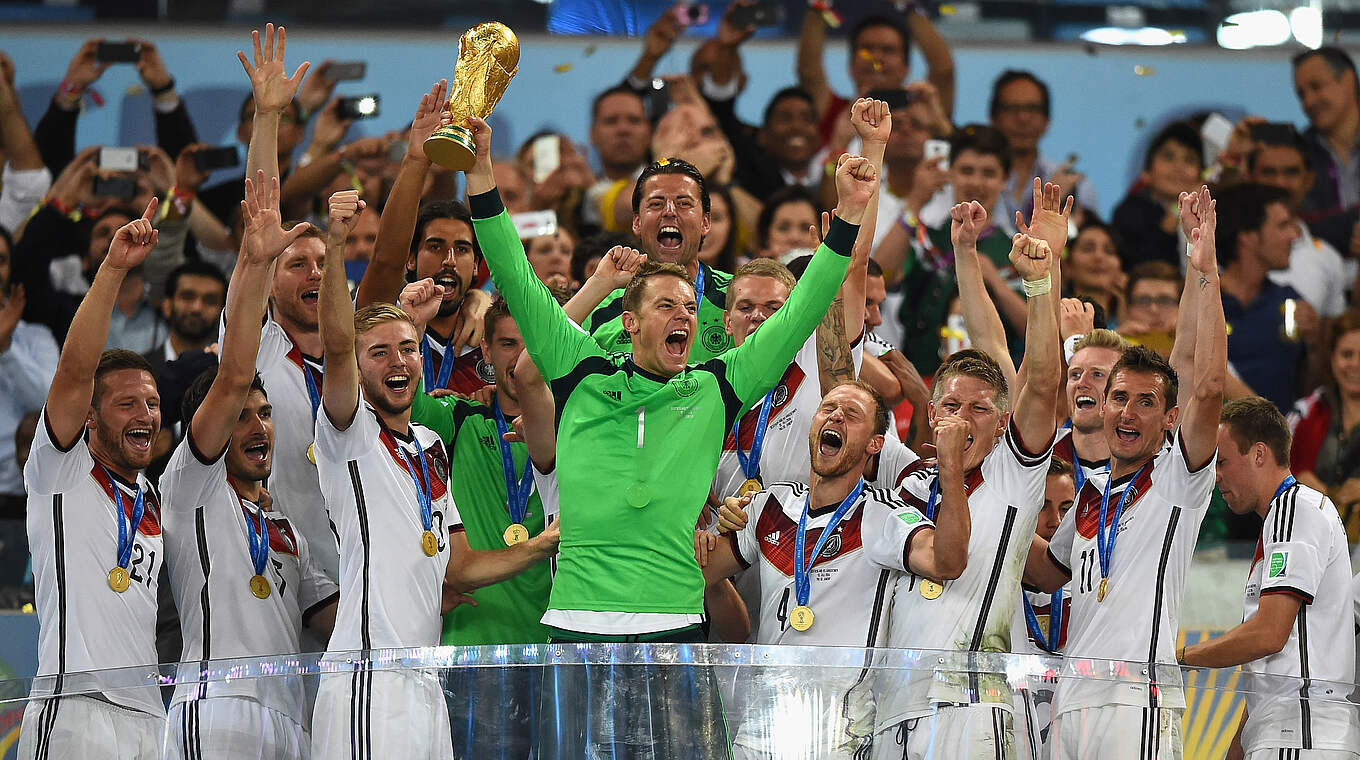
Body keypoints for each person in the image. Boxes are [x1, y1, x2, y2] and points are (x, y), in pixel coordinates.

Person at [463, 102, 873, 754]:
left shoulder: (714, 388)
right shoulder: (578, 369)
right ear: (628, 320)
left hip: (678, 629)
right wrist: (481, 173)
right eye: (665, 304)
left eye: (688, 304)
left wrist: (850, 212)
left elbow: (800, 311)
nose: (684, 312)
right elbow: (514, 270)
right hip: (577, 626)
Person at [309, 190, 557, 760]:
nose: (397, 361)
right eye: (379, 353)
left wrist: (544, 545)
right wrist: (339, 243)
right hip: (367, 678)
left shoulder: (429, 448)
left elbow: (462, 565)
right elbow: (339, 343)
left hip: (426, 676)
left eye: (407, 349)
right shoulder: (349, 433)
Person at [1025, 187, 1226, 760]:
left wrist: (1203, 267)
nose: (1126, 412)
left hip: (1138, 699)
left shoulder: (1178, 479)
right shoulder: (1091, 496)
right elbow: (1046, 570)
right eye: (1118, 398)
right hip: (1069, 699)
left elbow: (1202, 378)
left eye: (1144, 402)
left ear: (1168, 418)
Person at [161, 172, 339, 757]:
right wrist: (253, 260)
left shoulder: (286, 529)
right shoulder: (192, 488)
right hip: (214, 709)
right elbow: (236, 369)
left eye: (264, 414)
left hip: (292, 720)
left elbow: (334, 617)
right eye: (240, 416)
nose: (258, 425)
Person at [701, 380, 971, 759]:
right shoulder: (769, 505)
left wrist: (951, 469)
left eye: (852, 414)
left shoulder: (883, 515)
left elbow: (949, 561)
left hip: (838, 737)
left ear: (875, 444)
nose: (836, 416)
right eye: (828, 409)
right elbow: (697, 575)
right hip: (759, 731)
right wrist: (701, 526)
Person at [872, 223, 1062, 759]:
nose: (963, 419)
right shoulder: (904, 485)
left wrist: (1041, 286)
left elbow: (1043, 380)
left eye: (979, 409)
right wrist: (963, 251)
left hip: (974, 707)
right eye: (951, 407)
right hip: (895, 706)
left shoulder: (1014, 474)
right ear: (931, 415)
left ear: (1001, 423)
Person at [19, 199, 164, 759]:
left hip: (149, 715)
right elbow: (76, 370)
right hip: (75, 709)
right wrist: (113, 270)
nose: (146, 416)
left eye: (151, 404)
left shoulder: (149, 497)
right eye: (127, 403)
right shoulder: (62, 471)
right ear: (90, 417)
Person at [1181, 396, 1360, 758]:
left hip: (1301, 730)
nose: (1215, 476)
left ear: (1259, 454)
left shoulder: (1295, 509)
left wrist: (1179, 657)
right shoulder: (1285, 517)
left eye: (1223, 462)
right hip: (1289, 728)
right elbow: (1272, 662)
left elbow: (1268, 635)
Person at [355, 80, 491, 394]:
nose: (449, 260)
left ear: (476, 267)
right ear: (412, 258)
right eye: (435, 246)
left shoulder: (494, 338)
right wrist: (417, 161)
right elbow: (387, 260)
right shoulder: (383, 324)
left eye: (462, 248)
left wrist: (485, 303)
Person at [584, 156, 737, 360]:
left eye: (683, 203)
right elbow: (541, 363)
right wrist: (598, 284)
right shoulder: (600, 308)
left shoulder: (738, 299)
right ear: (637, 222)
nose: (669, 212)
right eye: (656, 204)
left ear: (705, 222)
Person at [1216, 183, 1315, 411]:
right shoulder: (1201, 303)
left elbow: (1306, 390)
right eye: (1283, 226)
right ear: (1247, 236)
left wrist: (1315, 346)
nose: (1294, 235)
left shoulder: (1289, 301)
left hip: (1282, 441)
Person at [796, 9, 955, 145]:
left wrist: (908, 6)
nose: (876, 58)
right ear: (850, 64)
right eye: (866, 49)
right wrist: (818, 6)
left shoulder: (925, 114)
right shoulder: (835, 112)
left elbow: (943, 72)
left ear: (906, 66)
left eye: (888, 50)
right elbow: (809, 73)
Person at [1013, 457, 1077, 760]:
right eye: (1042, 505)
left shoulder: (1088, 592)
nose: (1055, 521)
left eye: (1066, 508)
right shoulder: (993, 591)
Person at [988, 70, 1097, 222]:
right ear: (994, 117)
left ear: (1047, 120)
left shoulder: (1077, 186)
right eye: (1012, 108)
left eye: (1033, 109)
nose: (1023, 118)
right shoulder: (976, 178)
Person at [1289, 308, 1360, 542]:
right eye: (1347, 354)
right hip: (1314, 542)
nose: (1355, 365)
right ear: (1332, 358)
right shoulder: (1308, 412)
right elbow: (1282, 474)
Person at [1292, 46, 1360, 253]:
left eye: (1316, 87)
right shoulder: (1297, 153)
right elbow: (1295, 228)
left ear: (1348, 80)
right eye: (1301, 94)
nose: (1308, 101)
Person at [1112, 122, 1204, 269]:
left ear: (1201, 177)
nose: (1178, 167)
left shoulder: (1209, 217)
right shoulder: (1129, 212)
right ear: (1146, 173)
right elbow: (1143, 266)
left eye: (1189, 160)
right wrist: (1177, 210)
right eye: (1168, 157)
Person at [146, 261, 227, 378]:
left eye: (210, 300)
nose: (197, 308)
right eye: (188, 297)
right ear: (167, 306)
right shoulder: (139, 371)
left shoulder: (226, 373)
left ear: (222, 312)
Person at [1119, 262, 1181, 355]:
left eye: (1165, 301)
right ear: (1128, 308)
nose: (1153, 309)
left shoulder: (1196, 345)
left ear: (1181, 307)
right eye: (1143, 300)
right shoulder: (1116, 346)